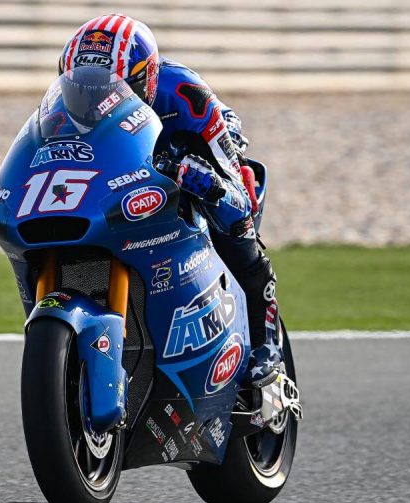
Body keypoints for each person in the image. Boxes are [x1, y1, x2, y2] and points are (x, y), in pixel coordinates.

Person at [59, 14, 281, 388]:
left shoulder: (185, 96)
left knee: (235, 221)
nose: (94, 101)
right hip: (126, 174)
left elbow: (237, 195)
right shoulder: (65, 105)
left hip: (199, 148)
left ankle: (266, 342)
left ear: (146, 78)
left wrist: (206, 181)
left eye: (110, 89)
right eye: (82, 88)